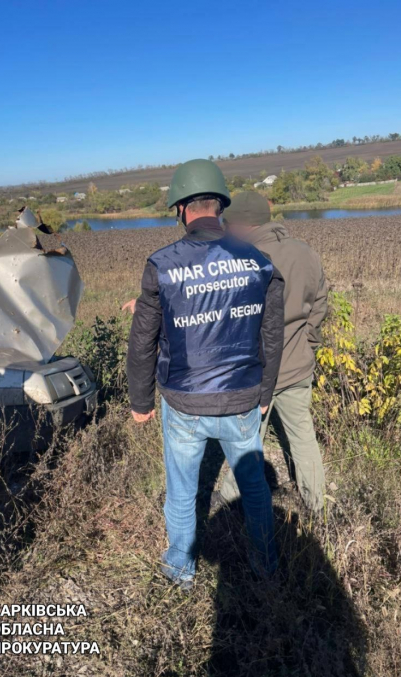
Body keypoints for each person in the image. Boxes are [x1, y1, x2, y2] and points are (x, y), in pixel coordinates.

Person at [126, 160, 285, 590]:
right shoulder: (260, 262)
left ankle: (180, 570)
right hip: (243, 400)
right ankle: (266, 564)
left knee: (181, 491)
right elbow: (271, 336)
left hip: (183, 403)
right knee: (254, 489)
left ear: (181, 209)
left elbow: (142, 339)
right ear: (220, 205)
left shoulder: (162, 265)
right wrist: (266, 392)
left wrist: (140, 401)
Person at [217, 191, 328, 512]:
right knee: (303, 437)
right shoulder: (304, 253)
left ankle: (228, 500)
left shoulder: (238, 260)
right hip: (298, 367)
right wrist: (308, 346)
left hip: (254, 375)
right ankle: (318, 506)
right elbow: (318, 306)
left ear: (239, 224)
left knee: (247, 441)